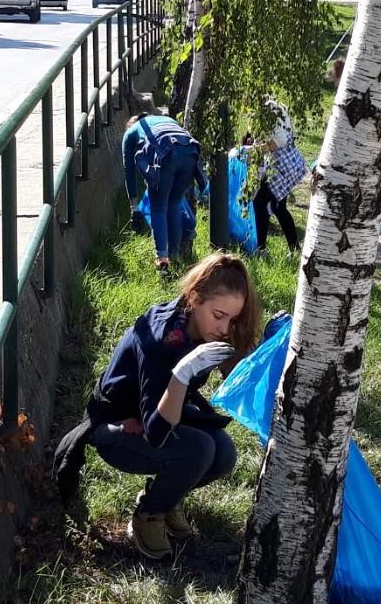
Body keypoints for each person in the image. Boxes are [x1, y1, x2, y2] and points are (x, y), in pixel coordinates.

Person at [52, 253, 261, 560]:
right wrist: (183, 373)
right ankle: (148, 515)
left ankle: (166, 496)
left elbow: (241, 383)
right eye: (219, 315)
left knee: (225, 453)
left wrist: (265, 355)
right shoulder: (163, 339)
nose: (225, 327)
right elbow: (156, 432)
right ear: (194, 298)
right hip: (115, 424)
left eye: (233, 318)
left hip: (154, 412)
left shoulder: (206, 328)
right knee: (200, 449)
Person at [123, 113, 206, 272]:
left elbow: (129, 170)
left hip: (164, 153)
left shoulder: (131, 132)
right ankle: (174, 256)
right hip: (190, 152)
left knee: (159, 208)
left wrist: (134, 207)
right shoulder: (167, 120)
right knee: (174, 204)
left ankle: (162, 260)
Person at [252, 98, 307, 254]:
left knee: (260, 203)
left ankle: (261, 249)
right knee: (278, 206)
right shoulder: (268, 107)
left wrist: (254, 150)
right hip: (282, 165)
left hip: (282, 166)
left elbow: (280, 140)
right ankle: (294, 248)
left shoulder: (271, 108)